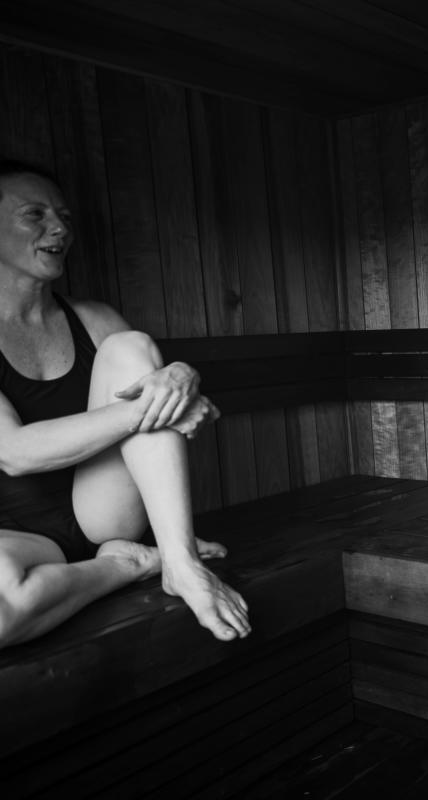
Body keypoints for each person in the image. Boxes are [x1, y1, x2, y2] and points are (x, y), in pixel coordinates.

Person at [0, 160, 250, 648]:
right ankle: (126, 563)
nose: (59, 228)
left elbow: (163, 396)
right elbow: (13, 453)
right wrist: (154, 404)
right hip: (18, 532)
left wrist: (180, 379)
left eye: (64, 217)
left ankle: (180, 563)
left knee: (131, 347)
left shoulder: (93, 320)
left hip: (104, 511)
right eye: (35, 214)